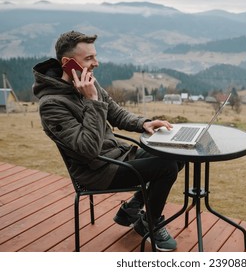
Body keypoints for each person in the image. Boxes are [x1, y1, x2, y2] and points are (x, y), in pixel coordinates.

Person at [32, 30, 183, 251]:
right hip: (97, 172)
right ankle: (150, 224)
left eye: (95, 56)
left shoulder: (88, 82)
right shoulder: (52, 104)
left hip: (117, 156)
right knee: (167, 166)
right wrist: (92, 100)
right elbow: (88, 149)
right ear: (68, 63)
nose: (97, 63)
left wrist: (144, 123)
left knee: (177, 154)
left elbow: (116, 113)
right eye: (89, 58)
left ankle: (132, 209)